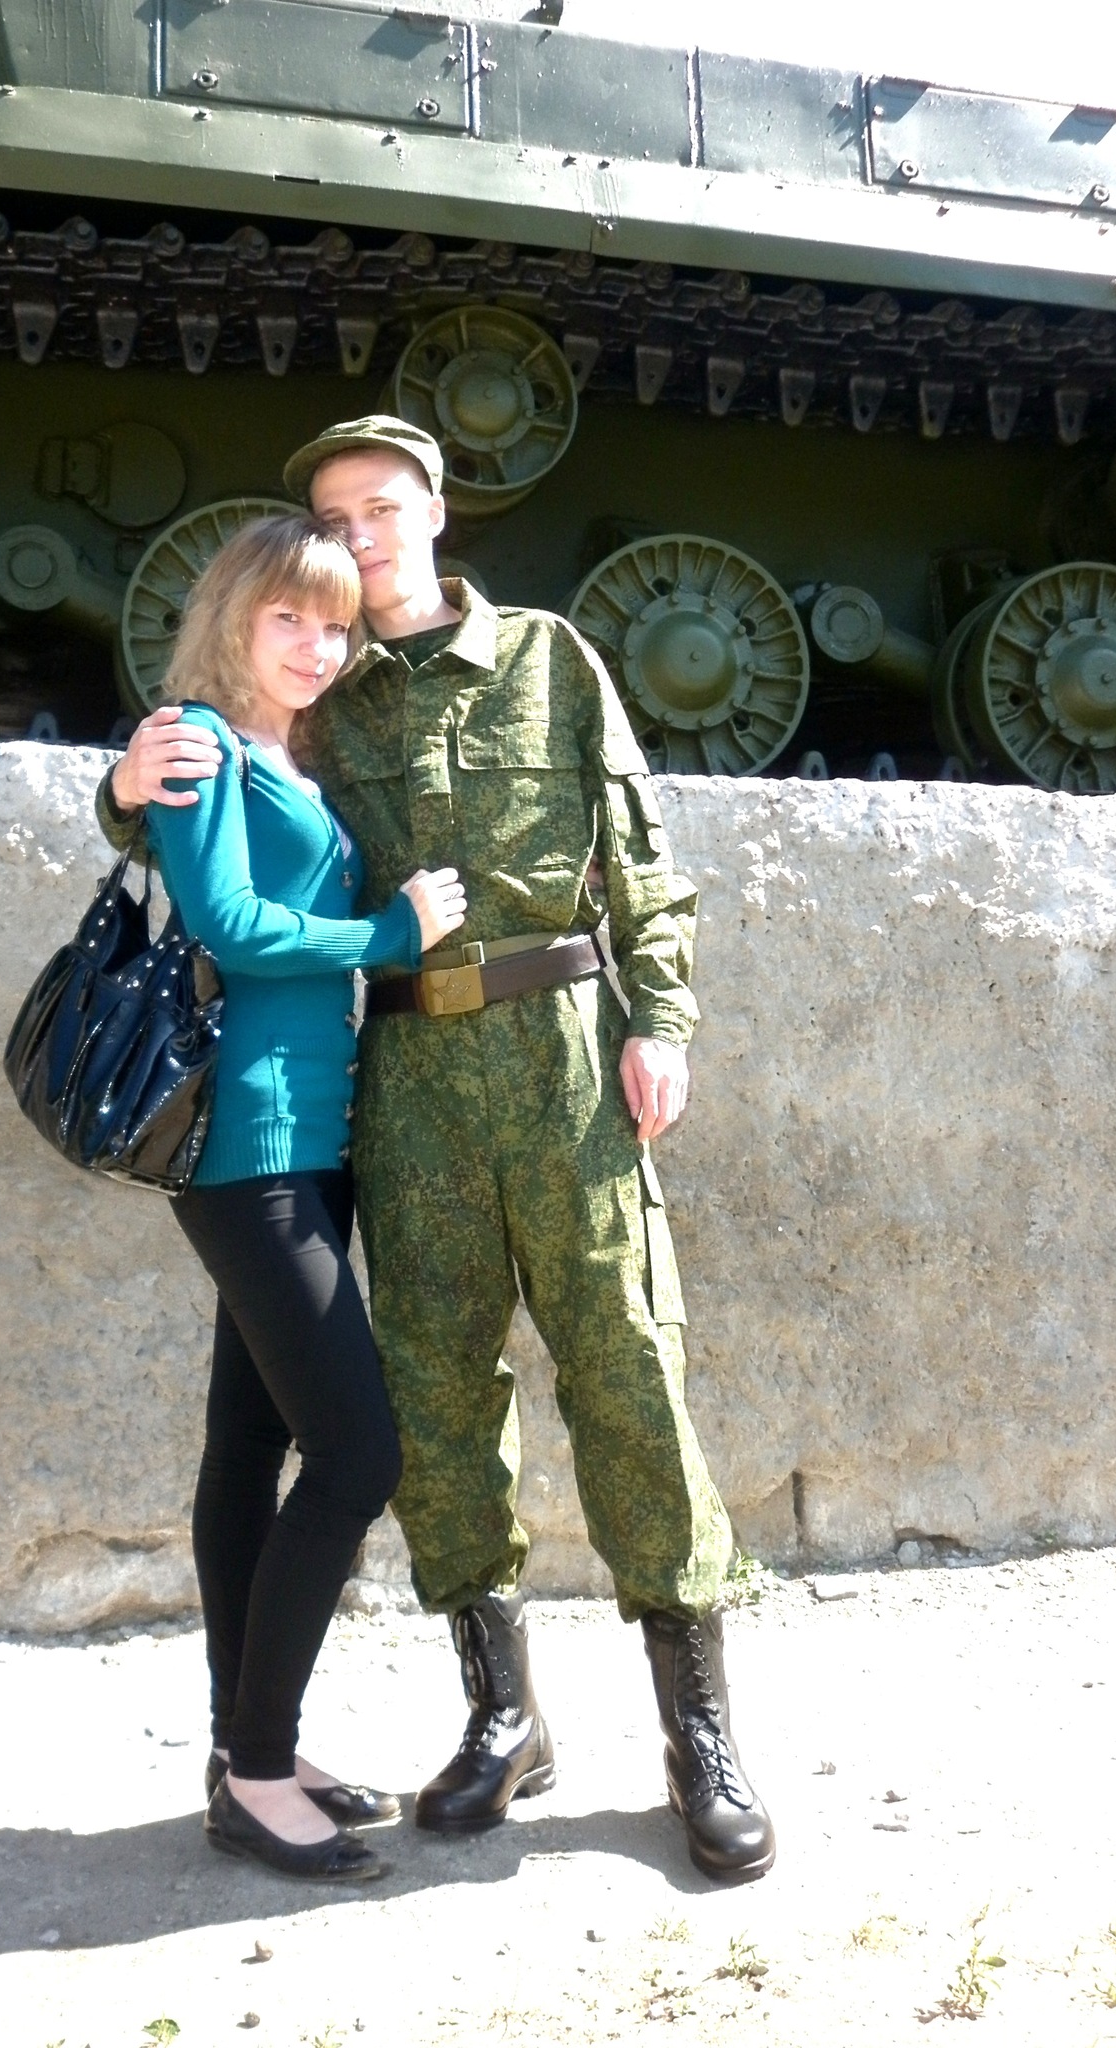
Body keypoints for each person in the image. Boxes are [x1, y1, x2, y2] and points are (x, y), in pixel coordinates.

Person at [99, 419, 776, 1882]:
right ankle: (501, 1717)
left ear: (436, 509)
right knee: (437, 1397)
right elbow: (210, 821)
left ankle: (700, 1736)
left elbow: (640, 848)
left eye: (383, 506)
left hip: (564, 1051)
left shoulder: (548, 657)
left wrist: (663, 1017)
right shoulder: (323, 690)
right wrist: (122, 787)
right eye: (335, 515)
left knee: (630, 1369)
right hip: (404, 1079)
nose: (362, 533)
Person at [139, 511, 467, 1883]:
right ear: (233, 616)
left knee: (247, 1448)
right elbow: (225, 922)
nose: (319, 647)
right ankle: (258, 1775)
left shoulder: (284, 755)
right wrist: (389, 933)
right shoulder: (200, 743)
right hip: (251, 1152)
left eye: (336, 625)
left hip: (305, 1148)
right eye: (291, 618)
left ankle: (245, 1747)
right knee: (357, 1457)